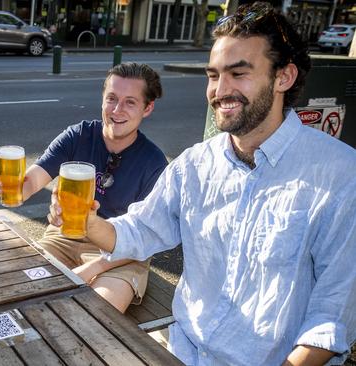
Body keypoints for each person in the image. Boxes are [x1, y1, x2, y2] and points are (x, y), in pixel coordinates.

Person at [48, 2, 356, 364]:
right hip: (182, 350)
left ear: (283, 77)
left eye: (238, 73)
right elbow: (140, 230)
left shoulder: (340, 174)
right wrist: (89, 223)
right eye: (213, 75)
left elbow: (330, 319)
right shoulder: (194, 164)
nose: (220, 90)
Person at [0, 62, 168, 312]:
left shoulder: (154, 163)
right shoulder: (79, 135)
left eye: (130, 102)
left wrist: (91, 269)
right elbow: (31, 181)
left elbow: (146, 239)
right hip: (64, 237)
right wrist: (9, 187)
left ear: (147, 108)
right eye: (111, 98)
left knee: (96, 313)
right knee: (17, 288)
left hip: (119, 255)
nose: (117, 110)